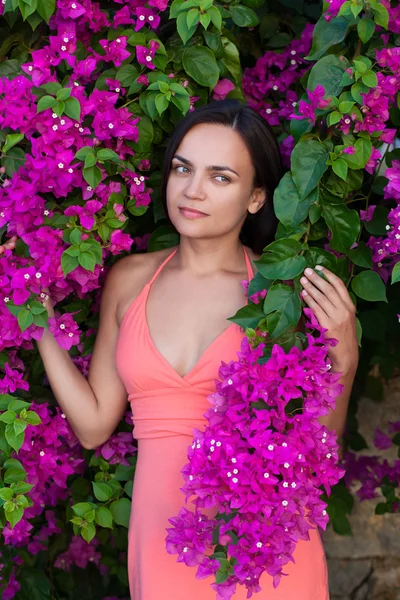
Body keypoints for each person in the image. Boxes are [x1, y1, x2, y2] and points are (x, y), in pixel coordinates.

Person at [0, 100, 359, 599]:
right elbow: (93, 425)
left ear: (256, 198)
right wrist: (38, 321)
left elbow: (313, 453)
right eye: (183, 168)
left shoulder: (281, 295)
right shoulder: (129, 280)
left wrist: (343, 358)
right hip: (162, 544)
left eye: (221, 177)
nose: (192, 190)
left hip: (261, 550)